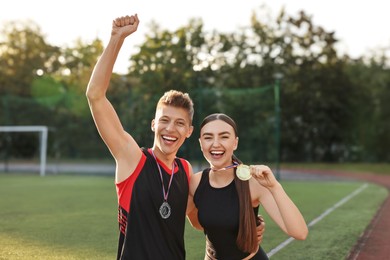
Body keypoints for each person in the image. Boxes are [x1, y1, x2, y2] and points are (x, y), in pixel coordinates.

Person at [85, 14, 265, 260]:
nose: (171, 129)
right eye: (164, 120)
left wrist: (246, 222)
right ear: (153, 125)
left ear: (189, 132)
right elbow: (95, 95)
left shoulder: (185, 170)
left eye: (180, 123)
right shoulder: (132, 158)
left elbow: (199, 220)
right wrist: (116, 39)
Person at [187, 113, 308, 260]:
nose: (216, 143)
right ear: (201, 143)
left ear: (235, 143)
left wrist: (275, 187)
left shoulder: (253, 183)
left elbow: (300, 232)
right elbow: (200, 224)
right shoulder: (195, 183)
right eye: (208, 137)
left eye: (224, 136)